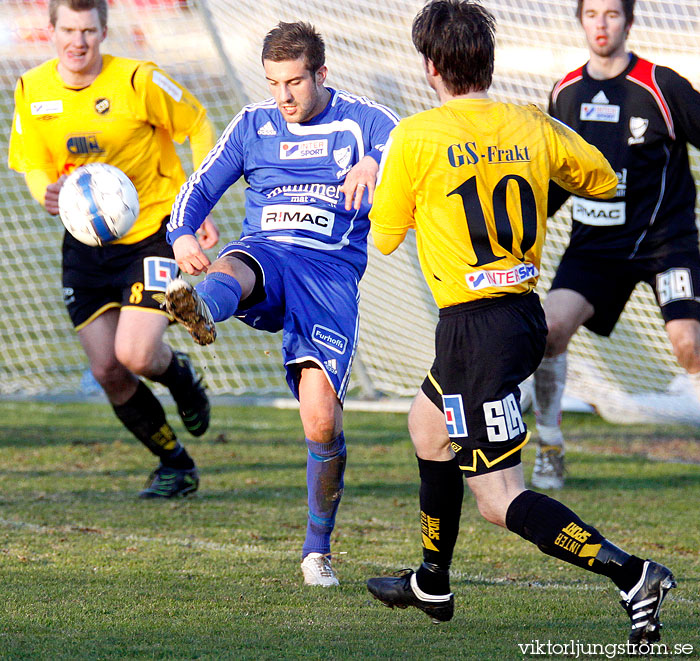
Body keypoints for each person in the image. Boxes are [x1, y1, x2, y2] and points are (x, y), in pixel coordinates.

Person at [365, 0, 675, 645]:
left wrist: (388, 184)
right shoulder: (530, 121)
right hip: (518, 315)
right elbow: (598, 176)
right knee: (426, 424)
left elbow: (387, 235)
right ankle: (432, 579)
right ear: (489, 60)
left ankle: (632, 573)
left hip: (477, 331)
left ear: (430, 67)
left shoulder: (416, 136)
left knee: (498, 498)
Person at [163, 21, 399, 586]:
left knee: (320, 423)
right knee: (240, 264)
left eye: (294, 82)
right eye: (274, 83)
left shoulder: (364, 122)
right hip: (267, 253)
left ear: (321, 73)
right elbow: (198, 189)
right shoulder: (252, 125)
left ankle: (317, 550)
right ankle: (199, 308)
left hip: (328, 277)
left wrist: (376, 164)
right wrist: (183, 236)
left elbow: (410, 144)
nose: (284, 97)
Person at [8, 0, 219, 498]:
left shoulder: (138, 80)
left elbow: (199, 122)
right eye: (68, 30)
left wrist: (197, 202)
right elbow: (32, 160)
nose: (77, 42)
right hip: (84, 243)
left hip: (152, 231)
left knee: (137, 353)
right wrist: (45, 192)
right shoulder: (31, 88)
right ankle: (175, 464)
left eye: (88, 30)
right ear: (52, 30)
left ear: (103, 31)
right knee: (106, 368)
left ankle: (183, 380)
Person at [531, 0, 700, 490]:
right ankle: (550, 449)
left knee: (689, 345)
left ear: (629, 21)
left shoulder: (661, 85)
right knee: (547, 332)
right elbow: (558, 180)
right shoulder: (565, 92)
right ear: (580, 20)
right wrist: (517, 221)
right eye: (592, 14)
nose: (601, 25)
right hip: (595, 247)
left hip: (665, 243)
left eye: (611, 14)